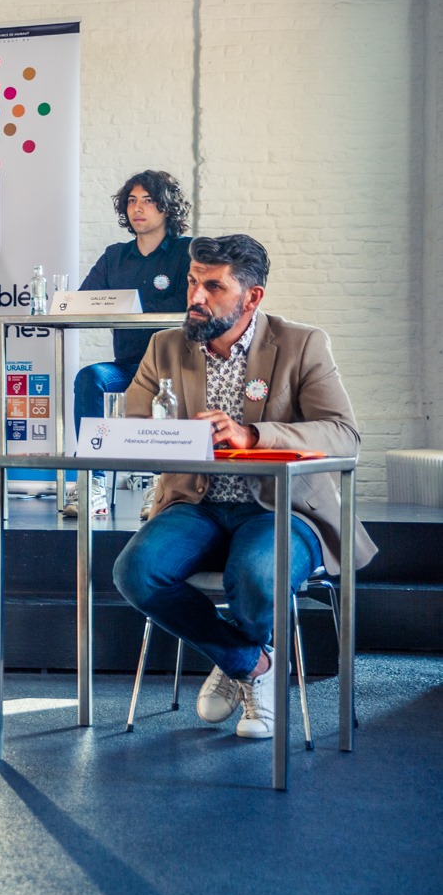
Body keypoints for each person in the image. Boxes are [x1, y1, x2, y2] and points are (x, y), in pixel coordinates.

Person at [112, 234, 376, 741]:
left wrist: (252, 435)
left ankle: (245, 668)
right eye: (193, 282)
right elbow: (134, 424)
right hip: (196, 503)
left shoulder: (301, 344)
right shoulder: (165, 346)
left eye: (213, 286)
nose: (195, 297)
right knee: (135, 571)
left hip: (282, 508)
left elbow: (343, 434)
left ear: (251, 297)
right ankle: (250, 663)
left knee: (255, 572)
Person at [63, 170, 194, 519]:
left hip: (173, 366)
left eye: (148, 201)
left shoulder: (188, 252)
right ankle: (93, 484)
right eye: (132, 201)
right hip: (127, 367)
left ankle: (163, 483)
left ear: (167, 208)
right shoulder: (115, 256)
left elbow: (194, 305)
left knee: (171, 388)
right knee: (91, 377)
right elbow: (83, 302)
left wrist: (135, 308)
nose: (138, 208)